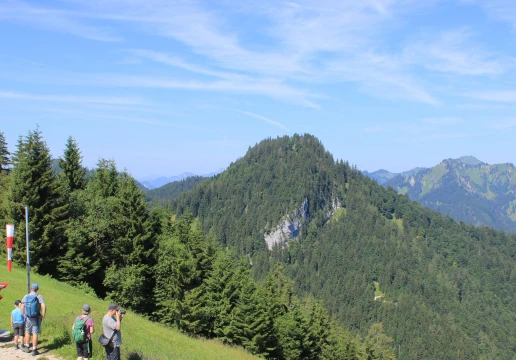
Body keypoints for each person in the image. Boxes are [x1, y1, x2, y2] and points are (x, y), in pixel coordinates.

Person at [21, 283, 46, 356]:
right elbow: (43, 306)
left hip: (28, 317)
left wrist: (24, 315)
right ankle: (34, 349)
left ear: (31, 289)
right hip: (36, 317)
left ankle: (27, 347)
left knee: (27, 331)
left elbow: (22, 306)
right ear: (37, 289)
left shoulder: (26, 296)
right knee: (35, 333)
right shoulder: (39, 296)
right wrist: (43, 315)